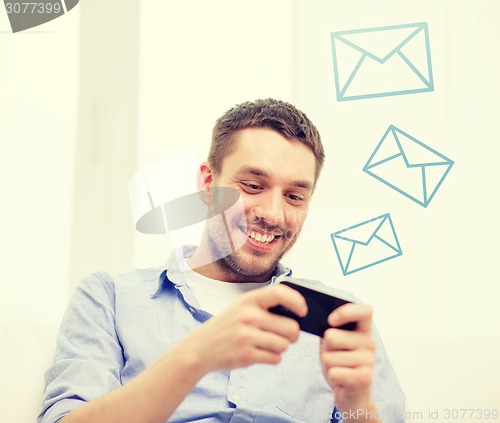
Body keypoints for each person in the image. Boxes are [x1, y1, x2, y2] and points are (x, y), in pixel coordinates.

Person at [38, 98, 405, 423]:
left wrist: (358, 405)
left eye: (294, 196)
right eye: (252, 185)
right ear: (207, 182)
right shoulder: (109, 299)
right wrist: (196, 355)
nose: (273, 214)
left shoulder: (343, 321)